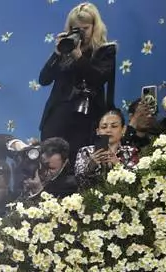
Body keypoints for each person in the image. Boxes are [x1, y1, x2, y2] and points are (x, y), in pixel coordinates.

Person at [38, 3, 117, 156]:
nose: (81, 33)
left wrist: (79, 57)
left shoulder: (105, 51)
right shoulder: (65, 49)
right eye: (77, 29)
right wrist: (57, 53)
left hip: (87, 121)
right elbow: (44, 79)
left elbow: (98, 78)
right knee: (51, 166)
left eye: (85, 28)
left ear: (95, 27)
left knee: (80, 167)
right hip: (57, 120)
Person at [73, 108, 140, 189]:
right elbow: (79, 184)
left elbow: (135, 183)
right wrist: (91, 166)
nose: (108, 130)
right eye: (104, 127)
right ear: (98, 131)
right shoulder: (85, 152)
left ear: (123, 129)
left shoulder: (131, 152)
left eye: (114, 126)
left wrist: (118, 165)